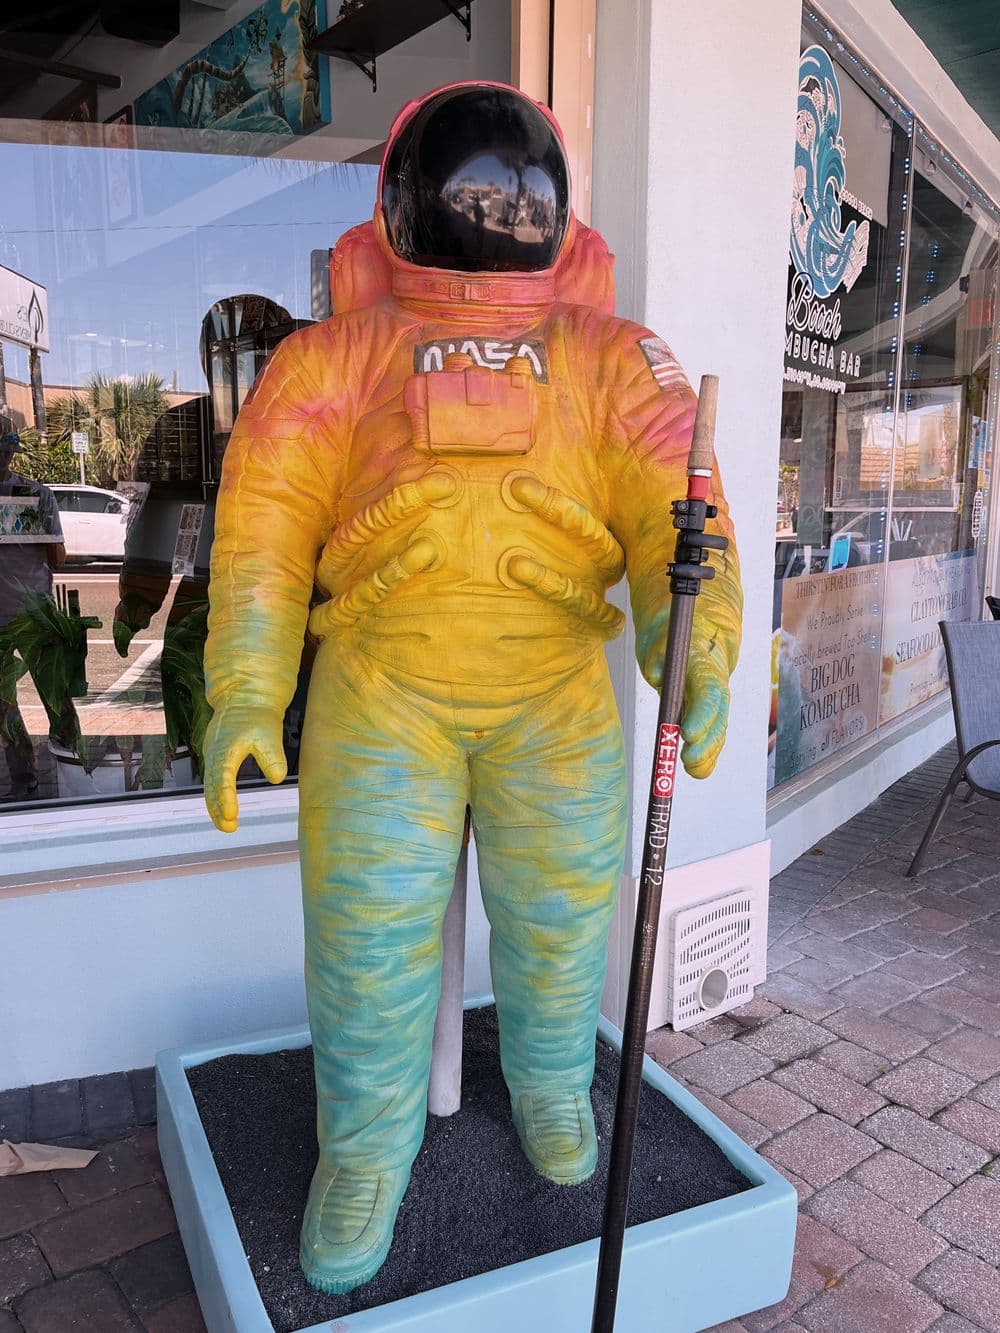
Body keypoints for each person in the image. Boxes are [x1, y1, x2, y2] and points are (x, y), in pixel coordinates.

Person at [202, 83, 743, 1294]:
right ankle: (365, 1150)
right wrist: (246, 681)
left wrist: (694, 647)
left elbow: (680, 522)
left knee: (558, 930)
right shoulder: (332, 357)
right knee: (367, 940)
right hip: (381, 688)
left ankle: (552, 1082)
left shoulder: (614, 359)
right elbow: (265, 527)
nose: (489, 205)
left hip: (551, 690)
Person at [0, 417, 66, 799]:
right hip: (34, 610)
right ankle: (77, 767)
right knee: (54, 694)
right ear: (12, 452)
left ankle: (25, 778)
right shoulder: (34, 494)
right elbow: (56, 556)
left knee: (4, 703)